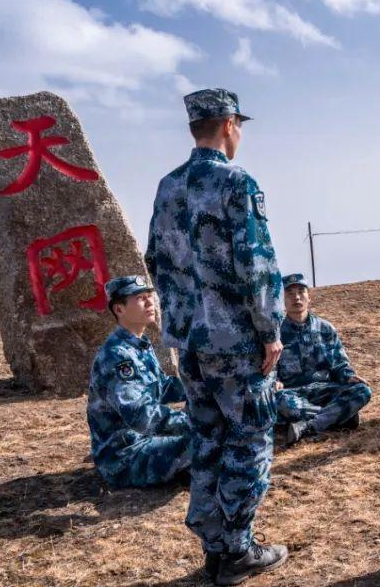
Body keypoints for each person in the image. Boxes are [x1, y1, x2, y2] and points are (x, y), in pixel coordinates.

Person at [145, 88, 287, 585]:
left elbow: (153, 261)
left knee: (208, 438)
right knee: (249, 441)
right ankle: (237, 551)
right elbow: (257, 265)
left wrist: (178, 324)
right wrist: (270, 331)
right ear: (228, 125)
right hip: (235, 343)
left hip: (190, 343)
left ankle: (214, 546)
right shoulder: (236, 181)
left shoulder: (168, 186)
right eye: (240, 125)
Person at [87, 275, 192, 488]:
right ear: (119, 310)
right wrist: (192, 421)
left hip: (144, 442)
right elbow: (140, 415)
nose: (150, 302)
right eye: (140, 298)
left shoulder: (138, 346)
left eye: (149, 296)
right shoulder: (118, 356)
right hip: (124, 457)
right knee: (209, 441)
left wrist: (207, 389)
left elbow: (164, 387)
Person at [275, 273, 372, 445]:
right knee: (276, 400)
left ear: (309, 297)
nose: (296, 297)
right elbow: (268, 367)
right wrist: (274, 381)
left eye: (301, 292)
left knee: (362, 391)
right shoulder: (275, 333)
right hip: (293, 393)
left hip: (324, 390)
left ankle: (310, 426)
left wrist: (348, 376)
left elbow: (339, 363)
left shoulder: (325, 329)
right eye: (290, 293)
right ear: (282, 299)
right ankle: (341, 417)